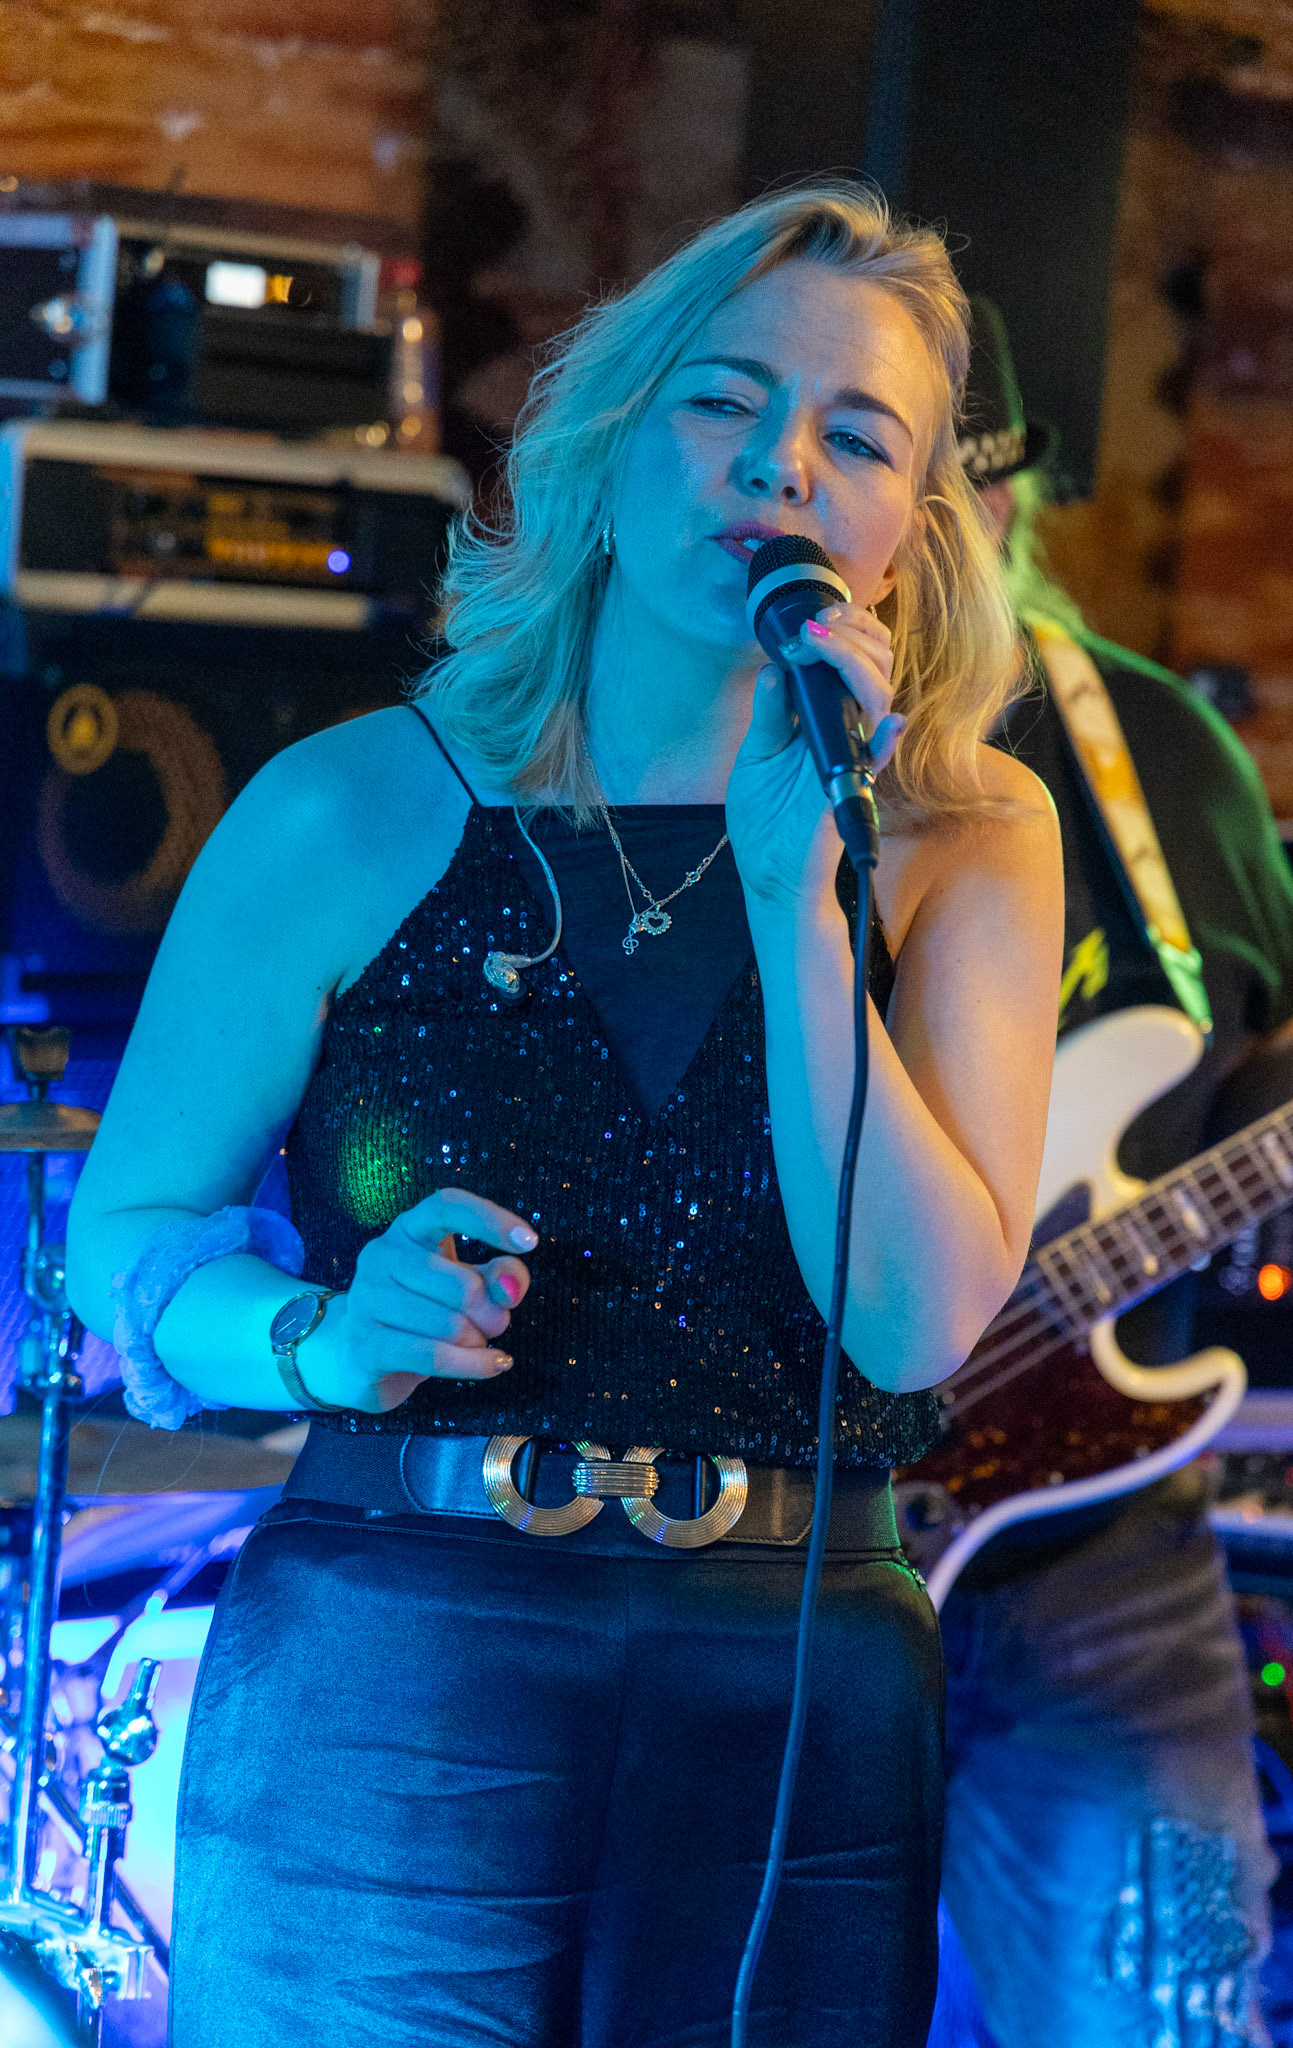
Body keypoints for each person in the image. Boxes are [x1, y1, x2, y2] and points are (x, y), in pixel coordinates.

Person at [65, 187, 1063, 2048]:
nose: (779, 465)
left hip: (792, 1681)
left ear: (909, 538)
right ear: (606, 442)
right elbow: (122, 1240)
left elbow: (917, 1320)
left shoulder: (965, 836)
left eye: (856, 439)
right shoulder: (347, 805)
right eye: (722, 401)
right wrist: (322, 1335)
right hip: (396, 1662)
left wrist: (796, 902)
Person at [927, 300, 1293, 2048]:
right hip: (779, 1553)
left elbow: (1290, 1023)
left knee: (1174, 2002)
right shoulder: (743, 749)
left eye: (982, 485)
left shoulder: (1154, 749)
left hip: (1105, 1545)